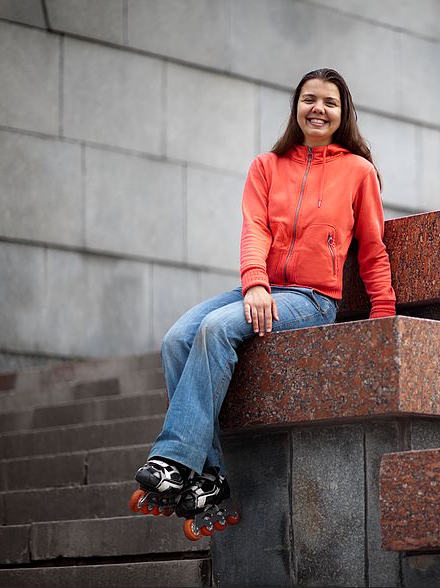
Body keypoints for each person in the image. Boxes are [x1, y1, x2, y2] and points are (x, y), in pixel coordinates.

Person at [129, 68, 396, 539]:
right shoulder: (267, 166)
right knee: (176, 339)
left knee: (215, 330)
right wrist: (254, 282)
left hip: (313, 299)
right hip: (263, 288)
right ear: (296, 106)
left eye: (329, 102)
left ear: (342, 113)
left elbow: (373, 248)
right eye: (309, 99)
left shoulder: (358, 172)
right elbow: (255, 229)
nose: (318, 108)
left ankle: (174, 457)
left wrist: (382, 315)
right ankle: (208, 476)